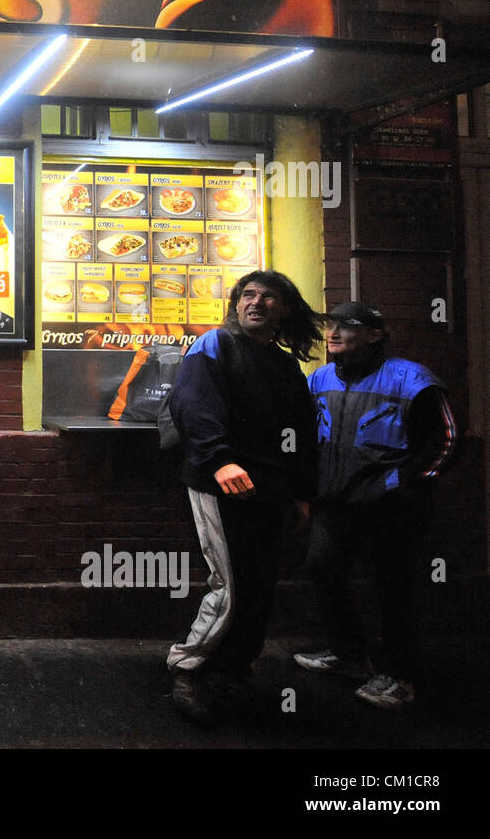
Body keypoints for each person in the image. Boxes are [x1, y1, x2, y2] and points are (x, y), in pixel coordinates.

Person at [164, 270, 320, 726]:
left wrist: (300, 493)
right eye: (248, 295)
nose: (255, 303)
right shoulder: (215, 344)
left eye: (268, 297)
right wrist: (220, 459)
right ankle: (188, 667)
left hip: (270, 490)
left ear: (285, 309)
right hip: (220, 483)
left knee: (260, 585)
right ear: (235, 303)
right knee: (230, 584)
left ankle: (232, 667)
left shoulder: (284, 364)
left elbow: (300, 433)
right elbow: (191, 404)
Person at [294, 302, 457, 709]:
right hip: (335, 500)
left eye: (346, 327)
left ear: (374, 335)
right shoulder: (320, 378)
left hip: (391, 505)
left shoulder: (411, 377)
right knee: (322, 567)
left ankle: (402, 677)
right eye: (331, 325)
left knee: (394, 588)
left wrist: (406, 483)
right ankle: (350, 656)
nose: (333, 333)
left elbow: (448, 439)